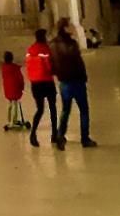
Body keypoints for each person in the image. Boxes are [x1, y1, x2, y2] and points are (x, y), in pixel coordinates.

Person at [51, 18, 97, 150]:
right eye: (70, 25)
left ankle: (60, 135)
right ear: (65, 28)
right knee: (84, 110)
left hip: (64, 82)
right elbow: (78, 62)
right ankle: (85, 138)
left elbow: (52, 63)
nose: (72, 27)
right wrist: (84, 77)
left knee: (65, 110)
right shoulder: (72, 44)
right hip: (76, 81)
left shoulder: (52, 44)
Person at [25, 29, 58, 148]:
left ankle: (33, 133)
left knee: (40, 110)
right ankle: (54, 134)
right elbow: (49, 66)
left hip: (35, 83)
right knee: (53, 108)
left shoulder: (30, 49)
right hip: (47, 82)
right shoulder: (45, 49)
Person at [0, 52, 28, 131]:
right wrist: (22, 88)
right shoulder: (15, 68)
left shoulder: (4, 68)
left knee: (10, 104)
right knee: (15, 103)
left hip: (7, 89)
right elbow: (20, 79)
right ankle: (14, 121)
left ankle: (10, 120)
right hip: (15, 89)